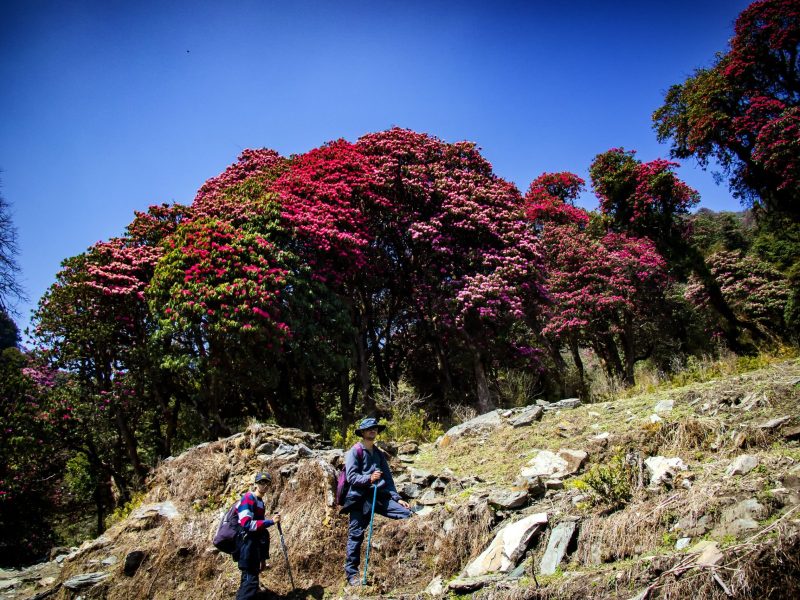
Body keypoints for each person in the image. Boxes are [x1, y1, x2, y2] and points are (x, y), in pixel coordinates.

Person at [341, 417, 412, 586]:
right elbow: (351, 477)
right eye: (369, 429)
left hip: (379, 496)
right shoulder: (355, 451)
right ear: (363, 432)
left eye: (375, 429)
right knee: (356, 535)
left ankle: (402, 560)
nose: (373, 431)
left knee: (407, 514)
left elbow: (388, 478)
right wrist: (369, 479)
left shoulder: (379, 453)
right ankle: (352, 574)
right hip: (360, 499)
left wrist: (398, 498)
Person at [235, 472, 281, 600]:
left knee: (250, 584)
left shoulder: (260, 502)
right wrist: (270, 521)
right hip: (247, 548)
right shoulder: (249, 498)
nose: (264, 485)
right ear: (256, 484)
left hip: (254, 549)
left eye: (267, 483)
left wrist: (262, 558)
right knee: (249, 586)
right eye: (261, 482)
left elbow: (260, 532)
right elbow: (246, 524)